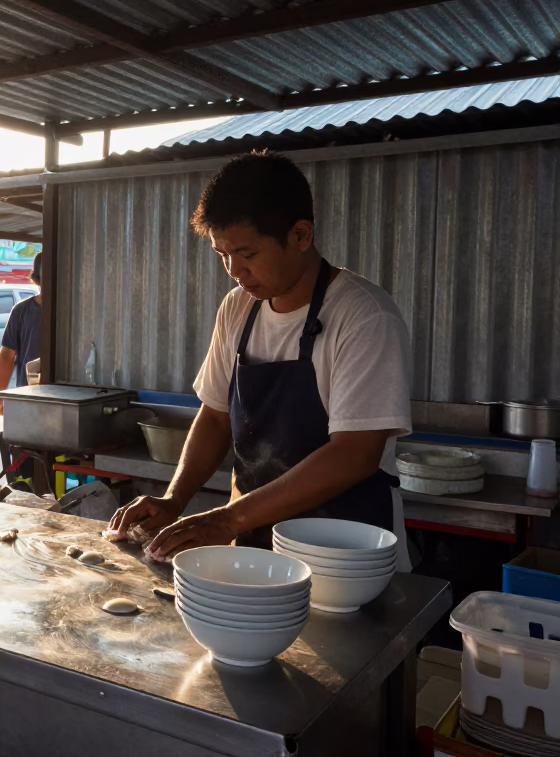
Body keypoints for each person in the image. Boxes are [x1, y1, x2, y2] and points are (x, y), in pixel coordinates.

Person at [108, 151, 412, 567]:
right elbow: (215, 416)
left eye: (248, 254)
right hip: (254, 541)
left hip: (347, 552)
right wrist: (174, 498)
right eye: (222, 254)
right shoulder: (238, 308)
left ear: (301, 235)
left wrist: (227, 519)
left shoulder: (363, 315)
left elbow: (355, 453)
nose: (234, 270)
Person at [0, 253, 42, 415]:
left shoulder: (73, 311)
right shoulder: (21, 311)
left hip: (64, 396)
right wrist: (0, 395)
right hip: (27, 395)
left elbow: (8, 355)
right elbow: (7, 355)